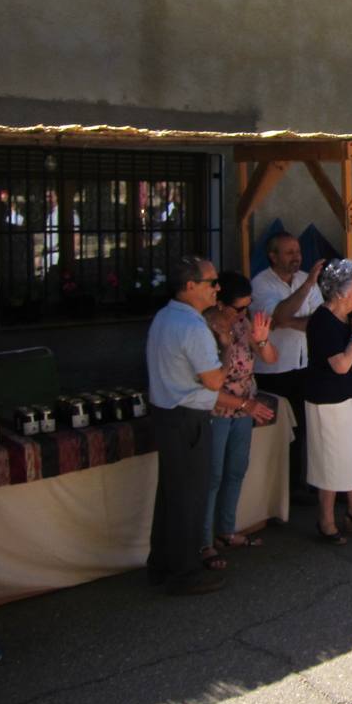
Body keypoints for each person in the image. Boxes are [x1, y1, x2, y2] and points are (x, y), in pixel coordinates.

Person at [145, 255, 228, 595]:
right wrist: (224, 352)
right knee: (187, 498)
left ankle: (162, 565)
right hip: (187, 418)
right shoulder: (192, 326)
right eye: (212, 282)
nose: (217, 289)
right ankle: (184, 572)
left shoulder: (164, 317)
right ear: (191, 286)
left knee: (171, 495)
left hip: (167, 415)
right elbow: (212, 381)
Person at [200, 272, 277, 570]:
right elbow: (206, 386)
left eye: (248, 306)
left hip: (243, 409)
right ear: (219, 303)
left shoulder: (244, 325)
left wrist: (264, 340)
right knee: (213, 477)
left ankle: (226, 531)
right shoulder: (204, 329)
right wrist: (245, 404)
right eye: (238, 308)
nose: (243, 313)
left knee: (235, 470)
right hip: (217, 411)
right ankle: (203, 542)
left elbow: (270, 357)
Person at [304, 259, 352, 544]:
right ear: (339, 292)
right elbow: (340, 365)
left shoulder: (351, 316)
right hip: (328, 402)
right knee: (331, 461)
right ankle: (326, 521)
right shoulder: (322, 321)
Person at [252, 232, 325, 502]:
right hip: (274, 370)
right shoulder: (261, 284)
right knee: (282, 435)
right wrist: (306, 287)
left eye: (297, 251)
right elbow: (277, 316)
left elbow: (318, 322)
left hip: (304, 365)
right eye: (289, 252)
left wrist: (288, 320)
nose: (296, 257)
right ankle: (281, 492)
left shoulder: (307, 279)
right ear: (273, 256)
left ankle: (302, 486)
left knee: (307, 429)